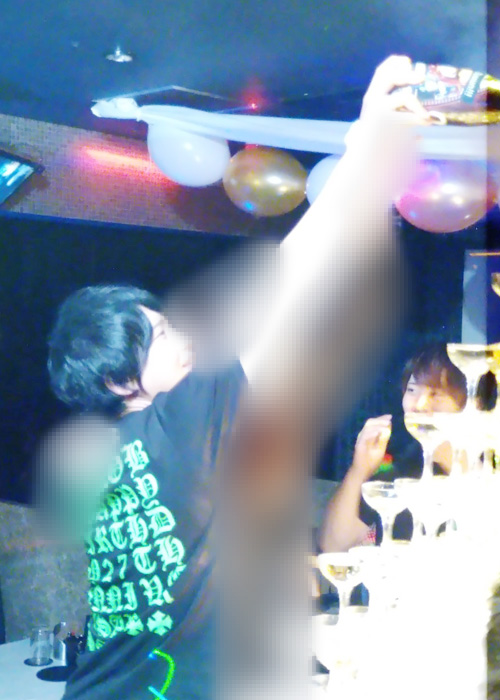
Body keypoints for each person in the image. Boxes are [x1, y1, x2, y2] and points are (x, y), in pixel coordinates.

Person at [45, 56, 430, 700]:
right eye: (162, 338)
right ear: (118, 384)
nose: (185, 339)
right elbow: (289, 280)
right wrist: (367, 141)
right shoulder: (178, 423)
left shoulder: (105, 460)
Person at [319, 343, 468, 553]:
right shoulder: (403, 477)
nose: (419, 405)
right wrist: (359, 470)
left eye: (436, 394)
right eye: (412, 390)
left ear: (474, 402)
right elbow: (336, 546)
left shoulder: (488, 471)